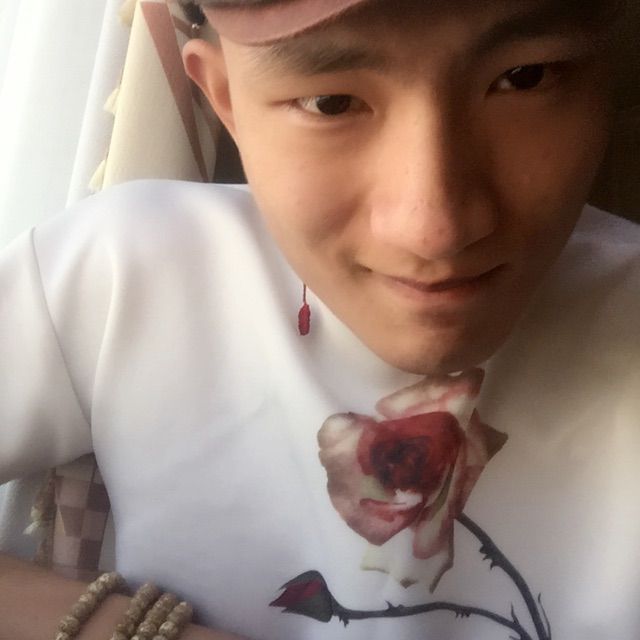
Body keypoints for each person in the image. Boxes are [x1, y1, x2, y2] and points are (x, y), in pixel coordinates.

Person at [1, 0, 639, 639]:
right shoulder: (128, 271)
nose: (434, 228)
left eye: (524, 79)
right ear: (226, 101)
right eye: (332, 103)